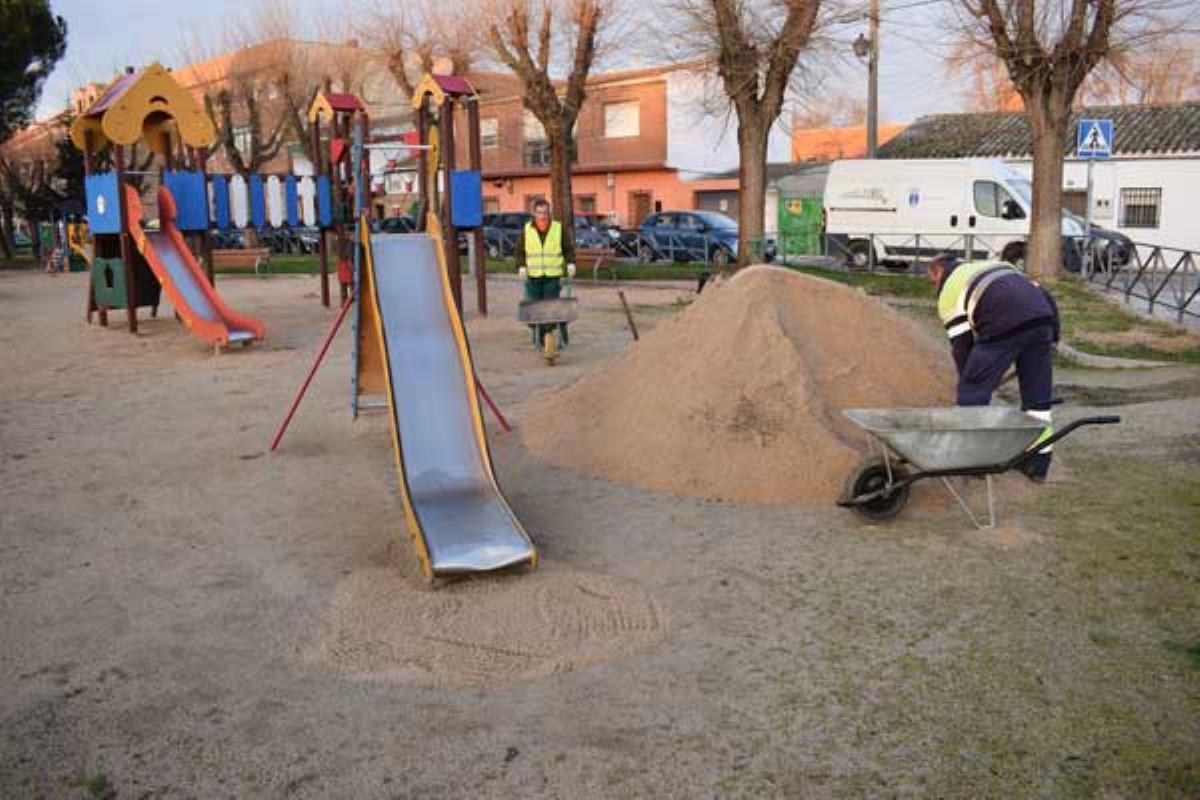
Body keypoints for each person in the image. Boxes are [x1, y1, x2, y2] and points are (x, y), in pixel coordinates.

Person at [927, 254, 1060, 481]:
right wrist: (1053, 336)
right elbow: (1043, 294)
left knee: (971, 394)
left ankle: (975, 462)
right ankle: (1038, 464)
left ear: (937, 272)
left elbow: (962, 346)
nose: (934, 286)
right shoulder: (998, 265)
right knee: (1038, 401)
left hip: (1003, 324)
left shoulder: (949, 292)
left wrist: (971, 379)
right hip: (1042, 320)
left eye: (931, 281)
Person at [515, 199, 576, 347]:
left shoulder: (558, 228)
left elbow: (568, 249)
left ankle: (546, 337)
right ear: (534, 213)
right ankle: (539, 335)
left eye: (545, 212)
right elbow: (519, 251)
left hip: (552, 275)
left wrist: (570, 263)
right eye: (539, 212)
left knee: (550, 308)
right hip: (533, 275)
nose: (543, 216)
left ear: (549, 213)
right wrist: (521, 266)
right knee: (533, 308)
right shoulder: (527, 229)